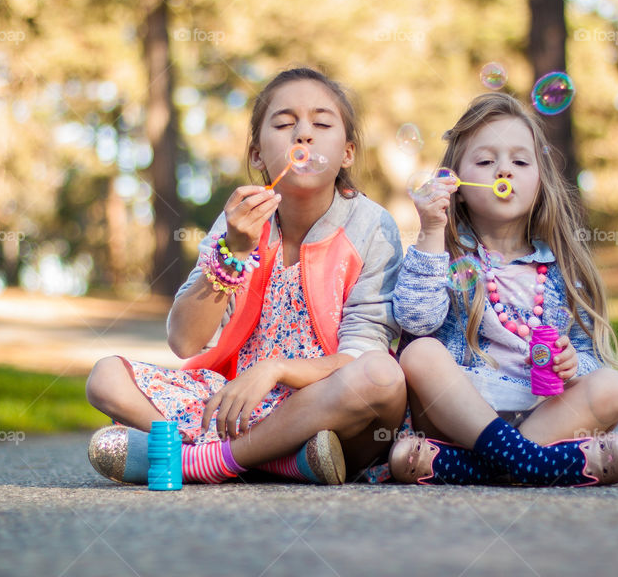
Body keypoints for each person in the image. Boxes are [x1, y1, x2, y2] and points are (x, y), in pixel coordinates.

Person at [85, 67, 406, 486]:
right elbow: (184, 340)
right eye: (285, 123)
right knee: (106, 376)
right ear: (257, 155)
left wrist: (274, 369)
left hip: (324, 405)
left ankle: (200, 460)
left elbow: (361, 355)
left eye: (322, 123)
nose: (303, 134)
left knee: (383, 376)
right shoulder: (239, 222)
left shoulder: (372, 227)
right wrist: (233, 252)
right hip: (236, 404)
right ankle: (278, 461)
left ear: (347, 153)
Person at [388, 92, 618, 486]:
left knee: (612, 386)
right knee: (420, 353)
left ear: (540, 179)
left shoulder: (563, 270)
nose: (503, 171)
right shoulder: (442, 253)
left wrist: (576, 366)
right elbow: (416, 319)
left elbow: (587, 353)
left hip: (543, 414)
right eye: (486, 161)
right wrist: (430, 231)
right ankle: (534, 464)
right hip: (458, 415)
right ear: (454, 181)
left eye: (520, 161)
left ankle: (474, 466)